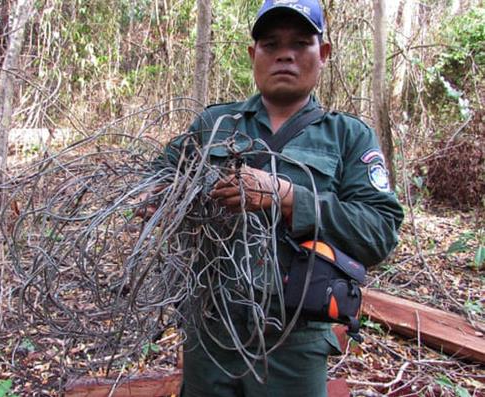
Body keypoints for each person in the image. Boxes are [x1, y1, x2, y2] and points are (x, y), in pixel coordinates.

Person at [139, 0, 403, 395]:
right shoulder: (214, 125)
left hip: (294, 339)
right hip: (211, 331)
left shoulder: (348, 136)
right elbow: (155, 182)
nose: (285, 54)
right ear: (253, 54)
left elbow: (379, 231)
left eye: (300, 43)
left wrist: (286, 196)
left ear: (324, 54)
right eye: (270, 44)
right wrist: (159, 202)